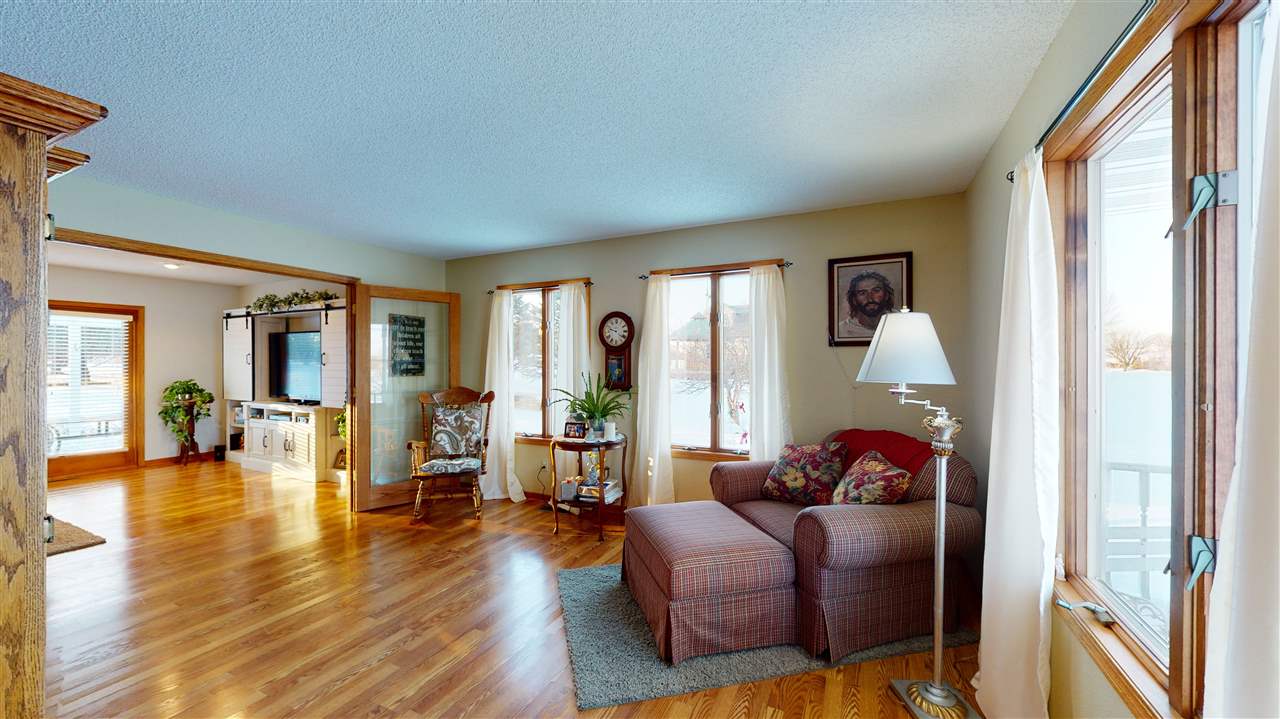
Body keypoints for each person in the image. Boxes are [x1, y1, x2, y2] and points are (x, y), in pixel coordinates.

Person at [840, 270, 896, 335]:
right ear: (854, 300)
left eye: (876, 291)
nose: (870, 298)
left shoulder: (901, 323)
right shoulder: (842, 330)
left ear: (886, 295)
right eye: (862, 293)